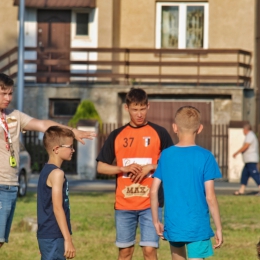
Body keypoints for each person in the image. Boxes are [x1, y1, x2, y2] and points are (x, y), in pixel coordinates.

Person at [0, 72, 96, 248]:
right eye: (3, 93)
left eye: (10, 93)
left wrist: (72, 132)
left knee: (1, 241)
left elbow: (44, 125)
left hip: (10, 185)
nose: (7, 98)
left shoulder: (14, 115)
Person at [96, 88, 173, 260]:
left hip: (151, 204)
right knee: (125, 252)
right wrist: (122, 169)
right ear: (126, 108)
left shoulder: (160, 133)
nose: (139, 114)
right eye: (135, 109)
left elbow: (172, 164)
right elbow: (101, 167)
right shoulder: (117, 135)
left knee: (150, 251)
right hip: (124, 204)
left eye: (142, 109)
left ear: (148, 106)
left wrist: (151, 167)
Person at [150, 106, 223, 260]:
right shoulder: (206, 157)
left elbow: (153, 190)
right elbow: (210, 197)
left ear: (175, 128)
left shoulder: (166, 155)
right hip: (198, 226)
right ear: (200, 128)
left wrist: (156, 220)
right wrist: (219, 227)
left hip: (174, 224)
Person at [37, 126, 76, 260]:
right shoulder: (57, 174)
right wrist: (68, 239)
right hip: (54, 234)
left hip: (47, 235)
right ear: (56, 149)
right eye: (70, 147)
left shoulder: (45, 171)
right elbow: (57, 208)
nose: (73, 150)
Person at [233, 123, 260, 195]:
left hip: (251, 159)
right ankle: (241, 190)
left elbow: (246, 146)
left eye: (243, 130)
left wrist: (237, 152)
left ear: (245, 129)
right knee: (244, 174)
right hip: (248, 160)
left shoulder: (250, 135)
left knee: (255, 174)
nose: (243, 132)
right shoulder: (250, 135)